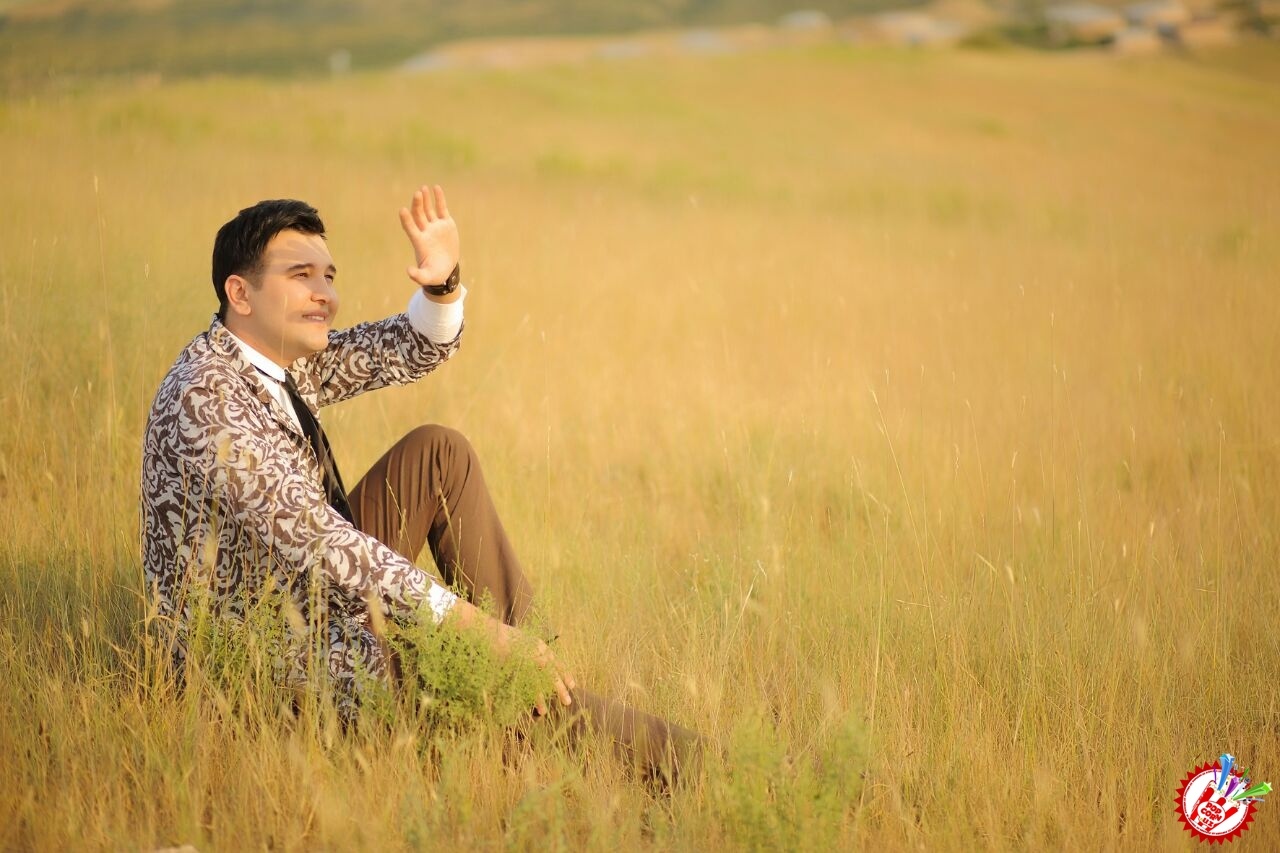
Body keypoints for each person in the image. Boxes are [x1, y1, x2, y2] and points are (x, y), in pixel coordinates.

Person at [140, 184, 700, 781]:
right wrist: (473, 629)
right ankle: (690, 766)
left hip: (300, 592)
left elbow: (407, 348)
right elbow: (325, 546)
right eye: (301, 276)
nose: (325, 294)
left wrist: (442, 284)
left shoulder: (271, 356)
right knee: (446, 656)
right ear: (240, 293)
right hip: (255, 656)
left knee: (438, 453)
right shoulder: (207, 399)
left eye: (329, 277)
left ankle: (534, 676)